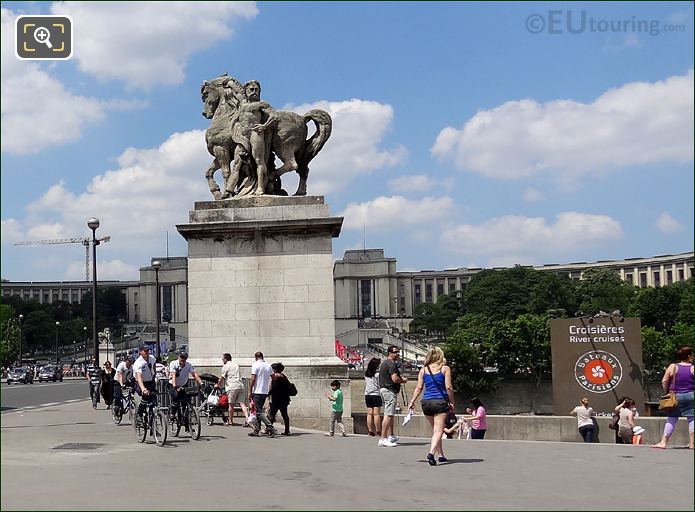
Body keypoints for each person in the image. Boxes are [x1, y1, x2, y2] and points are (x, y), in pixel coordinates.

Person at [407, 347, 454, 465]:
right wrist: (452, 401)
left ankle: (441, 455)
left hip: (426, 402)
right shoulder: (445, 368)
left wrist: (412, 401)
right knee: (439, 430)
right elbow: (448, 387)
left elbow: (419, 387)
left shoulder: (423, 370)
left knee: (436, 430)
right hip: (440, 402)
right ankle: (431, 453)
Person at [652, 346, 694, 450]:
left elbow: (664, 381)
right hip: (691, 396)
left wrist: (666, 391)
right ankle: (692, 443)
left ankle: (663, 442)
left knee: (672, 419)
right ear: (689, 356)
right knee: (692, 419)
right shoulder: (693, 368)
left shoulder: (673, 367)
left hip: (675, 396)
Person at [378, 345, 408, 447]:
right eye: (395, 352)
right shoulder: (391, 364)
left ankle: (390, 435)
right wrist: (402, 380)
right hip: (389, 390)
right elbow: (395, 379)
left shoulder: (385, 363)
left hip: (385, 389)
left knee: (390, 414)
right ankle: (383, 438)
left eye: (398, 352)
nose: (397, 354)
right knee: (388, 414)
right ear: (389, 353)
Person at [247, 351, 277, 437]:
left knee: (259, 412)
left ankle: (271, 428)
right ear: (262, 357)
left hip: (257, 391)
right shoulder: (268, 365)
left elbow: (253, 379)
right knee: (258, 411)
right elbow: (274, 377)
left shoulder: (255, 365)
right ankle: (257, 430)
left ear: (256, 357)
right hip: (265, 391)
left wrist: (250, 391)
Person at [168, 352, 203, 421]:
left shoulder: (188, 365)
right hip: (173, 385)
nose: (183, 359)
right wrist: (175, 386)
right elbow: (173, 375)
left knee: (186, 401)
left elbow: (194, 374)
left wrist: (201, 383)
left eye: (184, 358)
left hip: (183, 385)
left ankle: (187, 423)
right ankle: (172, 413)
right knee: (176, 399)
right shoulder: (173, 363)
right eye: (181, 357)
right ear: (179, 357)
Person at [217, 353, 248, 426]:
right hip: (240, 385)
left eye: (223, 359)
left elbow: (222, 377)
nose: (222, 360)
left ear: (225, 359)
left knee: (231, 405)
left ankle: (230, 421)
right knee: (242, 403)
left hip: (232, 386)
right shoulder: (236, 365)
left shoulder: (225, 366)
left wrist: (217, 384)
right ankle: (247, 418)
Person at [268, 362, 292, 436]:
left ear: (275, 370)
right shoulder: (284, 377)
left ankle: (269, 430)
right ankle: (287, 430)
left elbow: (273, 389)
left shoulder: (275, 378)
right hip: (284, 399)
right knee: (285, 415)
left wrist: (267, 394)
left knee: (272, 414)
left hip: (276, 400)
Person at [133, 345, 157, 417]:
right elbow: (139, 377)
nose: (147, 352)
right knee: (144, 399)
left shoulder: (152, 358)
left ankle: (151, 416)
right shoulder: (138, 363)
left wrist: (154, 375)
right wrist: (143, 389)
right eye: (145, 351)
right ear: (140, 352)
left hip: (150, 381)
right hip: (141, 382)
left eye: (148, 350)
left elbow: (154, 366)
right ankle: (139, 415)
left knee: (152, 399)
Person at [364, 357, 383, 437]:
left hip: (367, 395)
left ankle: (370, 430)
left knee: (369, 414)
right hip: (376, 394)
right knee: (376, 414)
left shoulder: (366, 374)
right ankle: (378, 430)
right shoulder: (377, 375)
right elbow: (380, 384)